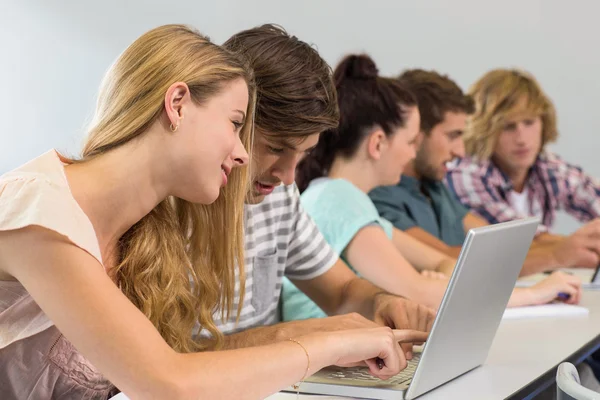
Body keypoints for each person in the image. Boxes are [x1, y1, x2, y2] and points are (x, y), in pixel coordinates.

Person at [0, 25, 426, 400]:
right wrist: (327, 344)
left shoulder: (136, 227)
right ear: (178, 104)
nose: (241, 154)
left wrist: (338, 329)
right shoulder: (40, 211)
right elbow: (169, 383)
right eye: (237, 123)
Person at [281, 55, 581, 321]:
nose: (413, 154)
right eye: (411, 142)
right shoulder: (337, 199)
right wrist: (532, 295)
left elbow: (442, 264)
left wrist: (439, 278)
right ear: (377, 144)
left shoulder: (353, 204)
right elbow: (416, 291)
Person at [206, 25, 434, 354]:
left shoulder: (280, 197)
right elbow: (169, 357)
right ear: (233, 120)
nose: (287, 176)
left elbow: (342, 291)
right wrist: (306, 336)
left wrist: (382, 302)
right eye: (274, 147)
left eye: (303, 154)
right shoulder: (175, 202)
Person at [370, 69, 600, 276]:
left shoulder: (434, 186)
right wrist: (558, 255)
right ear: (416, 133)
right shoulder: (380, 196)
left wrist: (577, 246)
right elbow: (447, 259)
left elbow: (501, 239)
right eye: (453, 136)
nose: (460, 151)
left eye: (529, 123)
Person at [445, 68, 600, 272]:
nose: (522, 138)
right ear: (484, 130)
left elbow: (591, 195)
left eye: (529, 122)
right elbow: (518, 239)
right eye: (508, 127)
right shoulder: (466, 173)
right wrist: (578, 247)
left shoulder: (546, 165)